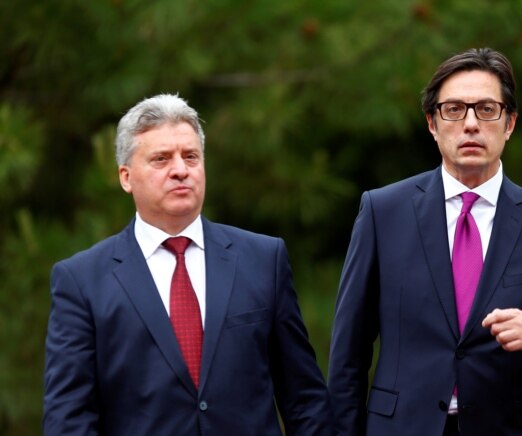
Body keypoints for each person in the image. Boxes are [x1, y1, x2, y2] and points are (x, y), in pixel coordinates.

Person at [327, 48, 522, 435]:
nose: (470, 124)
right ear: (432, 124)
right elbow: (348, 354)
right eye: (453, 109)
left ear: (510, 123)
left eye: (486, 109)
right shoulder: (383, 212)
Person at [43, 94, 333, 435]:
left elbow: (305, 400)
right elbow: (68, 419)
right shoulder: (82, 280)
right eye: (161, 159)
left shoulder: (262, 259)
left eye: (191, 157)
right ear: (125, 177)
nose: (180, 170)